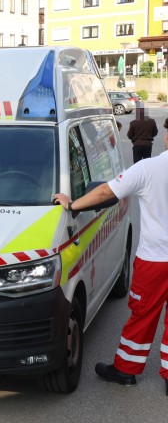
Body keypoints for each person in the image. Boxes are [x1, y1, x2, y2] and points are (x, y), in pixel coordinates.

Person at [52, 132, 168, 395]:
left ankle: (126, 370)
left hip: (155, 260)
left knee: (143, 314)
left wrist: (72, 205)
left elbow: (105, 191)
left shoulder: (148, 168)